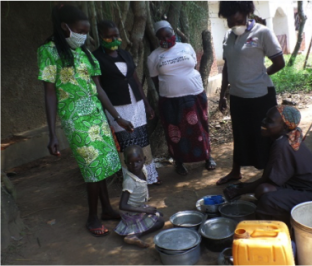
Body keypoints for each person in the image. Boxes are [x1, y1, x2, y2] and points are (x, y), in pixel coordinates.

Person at [38, 4, 134, 236]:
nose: (84, 35)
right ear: (65, 27)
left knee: (102, 167)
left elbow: (99, 90)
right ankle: (92, 217)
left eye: (86, 31)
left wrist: (117, 117)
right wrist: (52, 133)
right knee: (92, 167)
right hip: (76, 120)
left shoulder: (85, 53)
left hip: (97, 118)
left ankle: (107, 209)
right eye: (80, 30)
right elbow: (49, 93)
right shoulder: (49, 51)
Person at [223, 105, 312, 227]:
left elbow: (268, 180)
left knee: (267, 200)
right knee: (263, 190)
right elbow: (269, 178)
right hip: (303, 188)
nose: (263, 121)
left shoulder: (283, 145)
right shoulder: (288, 138)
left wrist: (239, 190)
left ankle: (266, 231)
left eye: (269, 121)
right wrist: (243, 188)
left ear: (284, 126)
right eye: (265, 118)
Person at [216, 0, 285, 185]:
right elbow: (228, 68)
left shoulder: (262, 33)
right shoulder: (227, 37)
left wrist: (262, 74)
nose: (232, 23)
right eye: (229, 19)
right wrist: (223, 95)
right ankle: (235, 172)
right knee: (239, 134)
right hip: (238, 96)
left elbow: (279, 63)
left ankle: (271, 174)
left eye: (235, 18)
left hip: (260, 96)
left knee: (265, 134)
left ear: (246, 12)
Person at [93, 20, 161, 185]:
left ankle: (150, 177)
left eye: (116, 35)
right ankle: (133, 181)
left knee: (143, 142)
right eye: (109, 37)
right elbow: (98, 87)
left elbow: (136, 80)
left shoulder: (125, 54)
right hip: (117, 108)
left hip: (136, 104)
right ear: (101, 36)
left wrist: (146, 103)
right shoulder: (96, 58)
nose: (114, 39)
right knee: (126, 143)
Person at [147, 20, 216, 176]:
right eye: (161, 37)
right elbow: (155, 79)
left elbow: (192, 66)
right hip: (171, 100)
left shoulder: (186, 47)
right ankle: (179, 162)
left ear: (173, 32)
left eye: (168, 34)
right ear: (157, 38)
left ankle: (208, 157)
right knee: (175, 131)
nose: (166, 38)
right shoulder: (154, 56)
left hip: (195, 94)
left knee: (201, 127)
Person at [115, 145, 164, 248]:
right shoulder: (129, 181)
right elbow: (122, 205)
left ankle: (137, 229)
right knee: (160, 222)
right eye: (130, 163)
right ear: (125, 163)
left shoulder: (143, 170)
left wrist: (145, 209)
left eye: (138, 161)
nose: (135, 165)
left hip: (139, 207)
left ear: (144, 160)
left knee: (158, 216)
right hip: (131, 212)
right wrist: (145, 211)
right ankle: (134, 235)